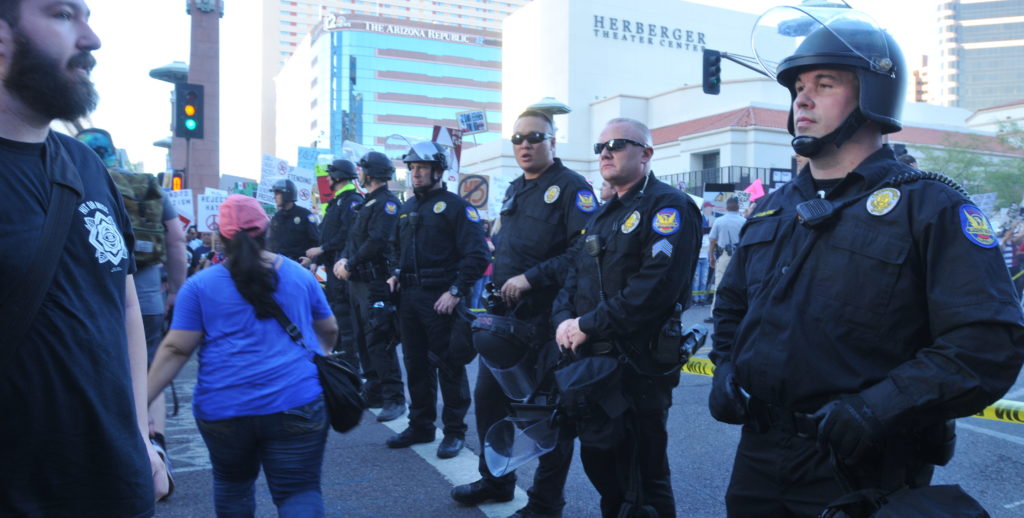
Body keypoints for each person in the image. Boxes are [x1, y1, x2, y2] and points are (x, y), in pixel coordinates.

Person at [710, 9, 1024, 517]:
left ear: (873, 95)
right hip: (759, 459)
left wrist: (878, 407)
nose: (802, 99)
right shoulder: (773, 207)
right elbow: (732, 305)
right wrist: (725, 364)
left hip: (862, 467)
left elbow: (986, 344)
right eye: (797, 88)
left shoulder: (931, 207)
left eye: (825, 83)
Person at [0, 0, 165, 514]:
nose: (91, 40)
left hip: (116, 485)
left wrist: (140, 435)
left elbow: (125, 305)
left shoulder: (84, 164)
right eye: (62, 15)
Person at [148, 194, 338, 517]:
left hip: (224, 409)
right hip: (296, 401)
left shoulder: (200, 286)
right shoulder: (300, 276)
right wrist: (316, 354)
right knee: (298, 492)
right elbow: (329, 330)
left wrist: (138, 403)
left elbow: (177, 348)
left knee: (232, 486)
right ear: (266, 231)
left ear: (220, 238)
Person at [451, 110, 596, 518]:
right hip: (507, 322)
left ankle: (546, 504)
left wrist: (532, 277)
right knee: (489, 401)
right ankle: (496, 481)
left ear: (553, 140)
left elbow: (584, 254)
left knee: (550, 415)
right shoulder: (515, 187)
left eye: (534, 137)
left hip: (551, 322)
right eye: (517, 138)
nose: (525, 145)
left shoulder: (573, 189)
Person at [553, 118, 700, 517]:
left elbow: (654, 289)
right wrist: (565, 322)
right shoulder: (603, 214)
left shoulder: (668, 206)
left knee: (644, 477)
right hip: (592, 364)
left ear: (646, 154)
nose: (605, 152)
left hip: (638, 366)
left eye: (616, 144)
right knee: (603, 466)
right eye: (600, 146)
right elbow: (573, 278)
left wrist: (586, 325)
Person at [77, 127, 188, 496]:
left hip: (89, 301)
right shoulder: (145, 184)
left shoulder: (71, 175)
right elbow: (176, 239)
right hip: (148, 298)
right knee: (149, 370)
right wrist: (176, 290)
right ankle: (154, 446)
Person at [384, 141, 489, 458]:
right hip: (409, 297)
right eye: (412, 168)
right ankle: (421, 425)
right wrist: (394, 273)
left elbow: (477, 254)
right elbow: (393, 248)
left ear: (438, 171)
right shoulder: (406, 208)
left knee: (449, 365)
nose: (416, 174)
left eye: (422, 168)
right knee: (415, 364)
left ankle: (454, 432)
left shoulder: (457, 207)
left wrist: (455, 291)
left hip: (441, 298)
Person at [334, 151, 406, 422]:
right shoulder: (367, 203)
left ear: (371, 172)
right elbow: (355, 240)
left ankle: (394, 397)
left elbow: (377, 241)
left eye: (361, 170)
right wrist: (344, 259)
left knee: (379, 340)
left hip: (374, 282)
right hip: (357, 283)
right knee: (364, 340)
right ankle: (374, 389)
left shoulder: (386, 204)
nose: (358, 174)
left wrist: (350, 264)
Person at [306, 159, 363, 366]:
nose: (327, 178)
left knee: (345, 324)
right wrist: (315, 259)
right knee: (336, 319)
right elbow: (327, 235)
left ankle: (352, 371)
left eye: (330, 175)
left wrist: (322, 249)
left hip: (343, 272)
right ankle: (340, 367)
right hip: (332, 270)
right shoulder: (336, 201)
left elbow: (348, 234)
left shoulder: (351, 200)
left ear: (338, 177)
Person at [703, 196, 744, 323]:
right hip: (739, 257)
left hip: (724, 256)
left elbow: (712, 240)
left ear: (727, 207)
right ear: (738, 207)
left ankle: (714, 313)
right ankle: (738, 313)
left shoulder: (719, 221)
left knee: (719, 285)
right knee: (739, 285)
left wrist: (711, 256)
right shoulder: (744, 221)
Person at [268, 178, 319, 262]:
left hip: (299, 265)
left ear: (286, 194)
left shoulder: (305, 215)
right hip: (279, 265)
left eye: (277, 193)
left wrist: (310, 260)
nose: (274, 197)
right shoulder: (276, 217)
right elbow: (270, 243)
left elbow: (316, 241)